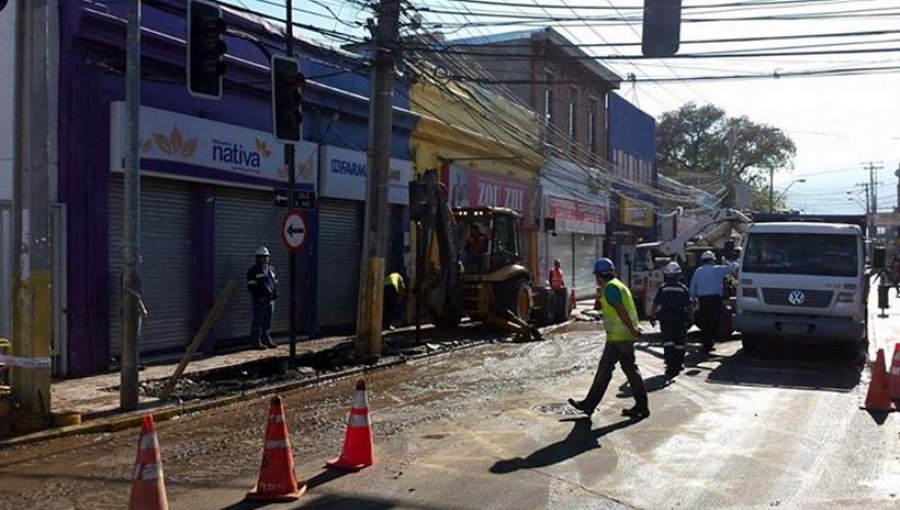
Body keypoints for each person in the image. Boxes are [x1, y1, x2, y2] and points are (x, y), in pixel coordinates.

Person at [568, 258, 649, 420]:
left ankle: (588, 405)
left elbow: (621, 311)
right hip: (626, 337)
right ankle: (642, 406)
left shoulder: (610, 288)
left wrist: (632, 329)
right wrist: (633, 330)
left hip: (617, 339)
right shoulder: (620, 285)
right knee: (632, 371)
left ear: (599, 275)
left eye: (596, 276)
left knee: (604, 372)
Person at [689, 250, 739, 355]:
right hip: (715, 300)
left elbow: (693, 286)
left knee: (705, 321)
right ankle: (711, 340)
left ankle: (707, 343)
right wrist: (737, 260)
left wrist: (692, 298)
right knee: (715, 320)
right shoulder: (717, 270)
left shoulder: (698, 271)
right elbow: (732, 267)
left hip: (703, 300)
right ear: (712, 260)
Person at [651, 261, 691, 378]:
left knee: (668, 340)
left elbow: (655, 303)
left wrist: (652, 316)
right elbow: (688, 306)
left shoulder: (663, 288)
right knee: (680, 342)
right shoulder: (683, 288)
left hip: (666, 317)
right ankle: (678, 363)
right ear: (679, 274)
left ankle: (670, 364)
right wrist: (690, 319)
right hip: (679, 318)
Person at [246, 246, 278, 349]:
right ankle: (256, 341)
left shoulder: (271, 269)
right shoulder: (253, 270)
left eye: (266, 257)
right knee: (258, 321)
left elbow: (275, 282)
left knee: (267, 321)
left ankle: (266, 339)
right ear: (257, 257)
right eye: (262, 257)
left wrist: (275, 292)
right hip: (260, 300)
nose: (264, 259)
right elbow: (251, 286)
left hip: (270, 300)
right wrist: (259, 296)